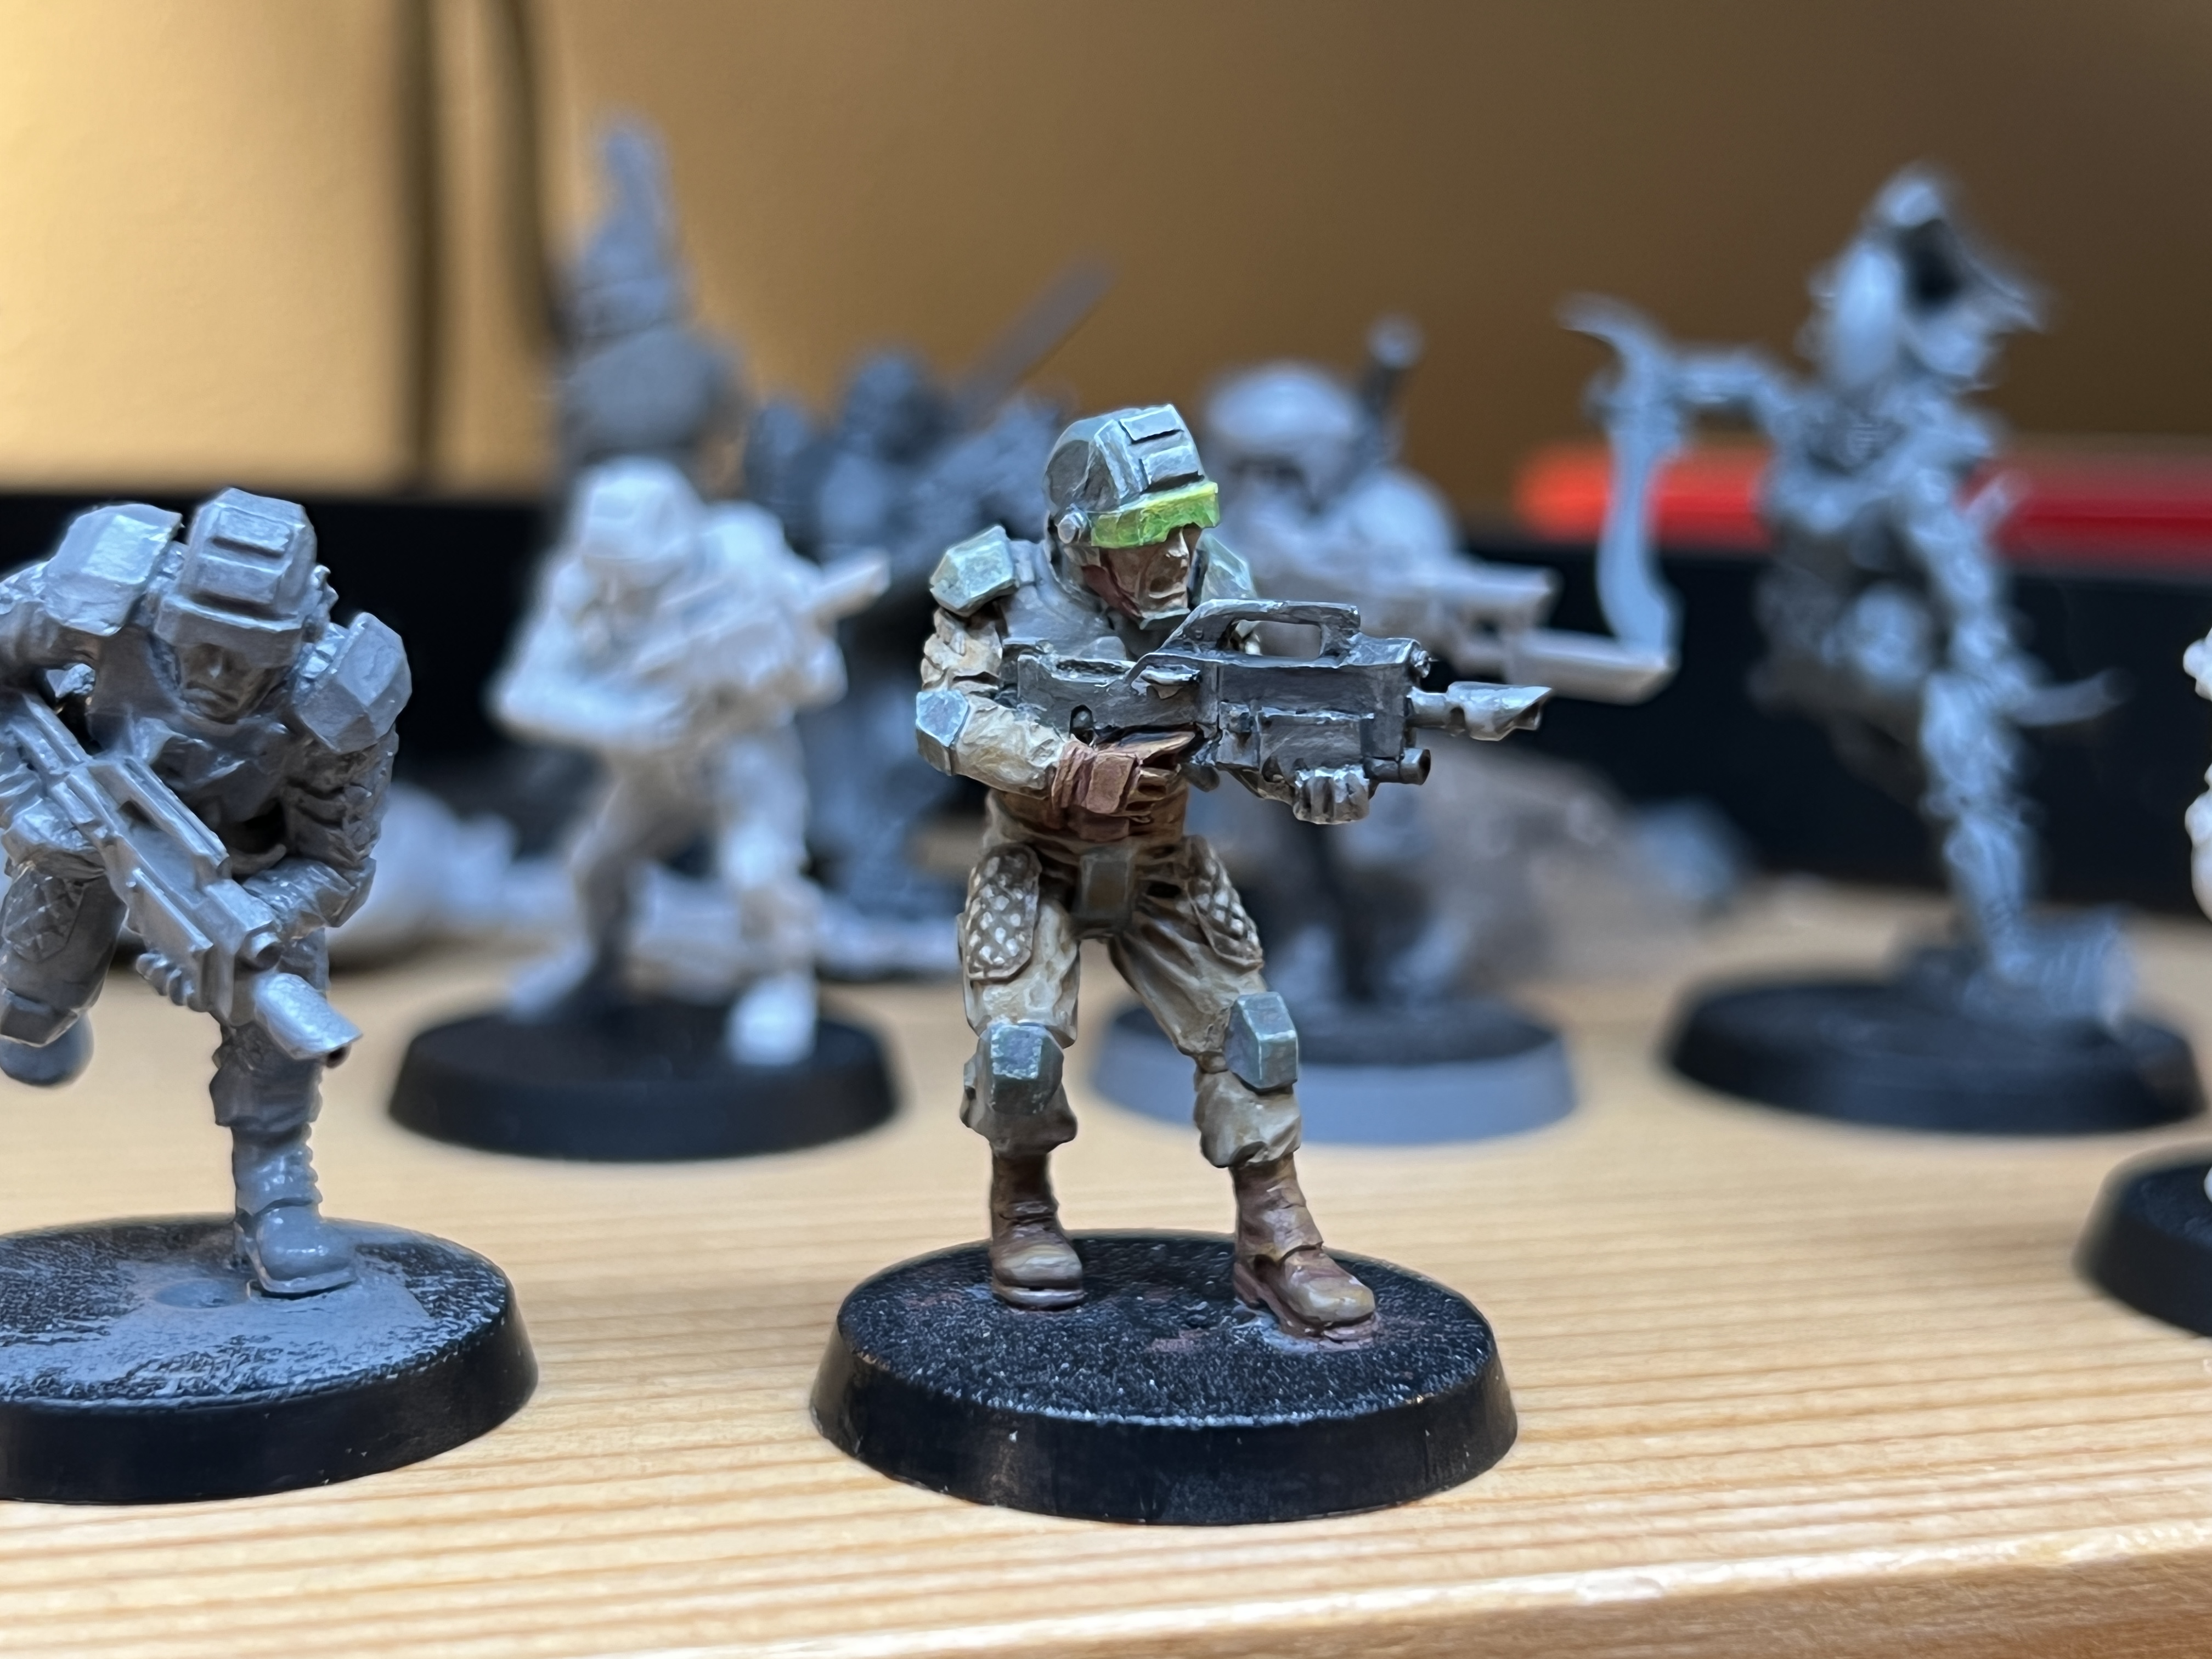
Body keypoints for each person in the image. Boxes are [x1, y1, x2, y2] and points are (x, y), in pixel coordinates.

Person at [915, 405, 1378, 1340]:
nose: (1176, 551)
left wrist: (1315, 774)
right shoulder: (996, 588)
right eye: (1147, 530)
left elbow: (1255, 724)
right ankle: (1023, 1206)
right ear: (1079, 537)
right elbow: (946, 717)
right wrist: (1064, 766)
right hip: (1036, 859)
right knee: (1017, 1053)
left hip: (1160, 861)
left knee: (1253, 1034)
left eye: (1191, 518)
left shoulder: (1217, 586)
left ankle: (1276, 1234)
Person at [0, 490, 408, 1294]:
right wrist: (25, 807)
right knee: (26, 1012)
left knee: (273, 1014)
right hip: (81, 819)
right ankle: (38, 1012)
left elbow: (337, 867)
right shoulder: (107, 597)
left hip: (247, 874)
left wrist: (248, 926)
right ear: (166, 605)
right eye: (200, 644)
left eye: (249, 655)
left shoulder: (335, 695)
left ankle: (277, 1193)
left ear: (299, 635)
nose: (218, 676)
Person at [495, 457, 884, 1062]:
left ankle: (784, 979)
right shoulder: (579, 585)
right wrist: (621, 719)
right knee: (593, 864)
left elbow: (821, 681)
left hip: (742, 756)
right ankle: (592, 958)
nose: (624, 592)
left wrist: (779, 660)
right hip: (649, 767)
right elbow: (524, 694)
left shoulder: (746, 562)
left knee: (759, 874)